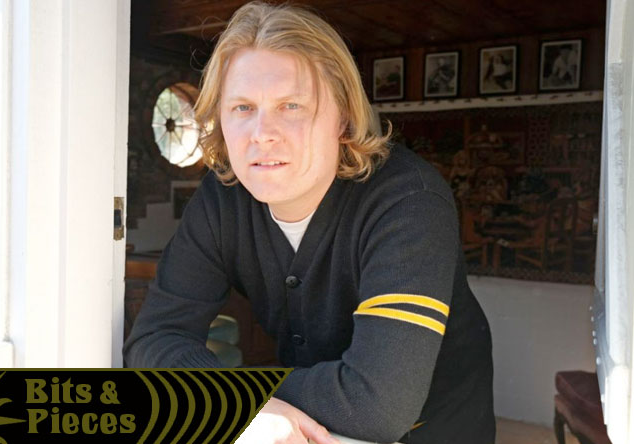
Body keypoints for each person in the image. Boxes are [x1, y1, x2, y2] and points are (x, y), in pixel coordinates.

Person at [123, 2, 495, 443]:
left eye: (291, 105)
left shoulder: (409, 200)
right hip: (308, 429)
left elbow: (378, 404)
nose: (262, 132)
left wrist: (234, 397)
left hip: (436, 431)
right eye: (242, 107)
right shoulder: (222, 198)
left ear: (344, 118)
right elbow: (155, 339)